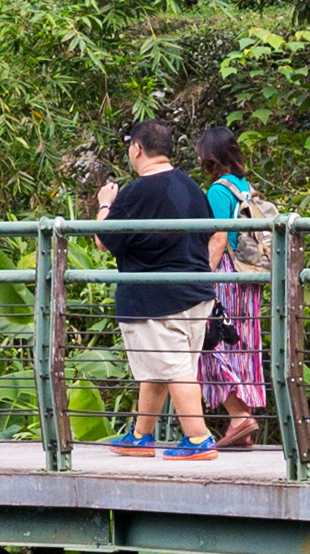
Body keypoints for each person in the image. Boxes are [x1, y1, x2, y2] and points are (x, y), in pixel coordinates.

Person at [93, 122, 218, 455]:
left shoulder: (137, 192)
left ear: (136, 149)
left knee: (173, 368)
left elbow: (103, 240)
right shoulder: (191, 186)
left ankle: (198, 438)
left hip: (155, 297)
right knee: (161, 366)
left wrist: (106, 204)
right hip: (196, 292)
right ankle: (141, 435)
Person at [193, 129, 272, 450]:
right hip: (249, 276)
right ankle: (242, 426)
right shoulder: (245, 187)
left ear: (208, 156)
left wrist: (201, 276)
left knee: (210, 340)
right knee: (242, 344)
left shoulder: (217, 190)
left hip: (225, 273)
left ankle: (239, 417)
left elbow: (220, 236)